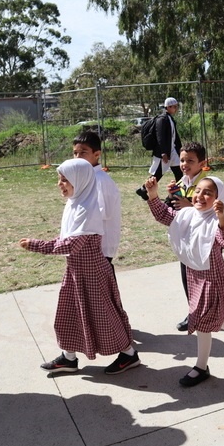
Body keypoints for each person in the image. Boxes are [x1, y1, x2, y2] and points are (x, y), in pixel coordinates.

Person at [20, 159, 139, 375]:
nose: (60, 184)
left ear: (80, 181)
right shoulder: (75, 203)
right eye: (59, 179)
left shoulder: (89, 207)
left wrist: (37, 245)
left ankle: (129, 354)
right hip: (75, 270)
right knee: (68, 313)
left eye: (65, 180)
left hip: (92, 272)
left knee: (104, 317)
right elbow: (67, 237)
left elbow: (72, 243)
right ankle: (69, 357)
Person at [144, 174, 224, 387]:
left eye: (208, 193)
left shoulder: (215, 221)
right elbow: (163, 215)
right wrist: (153, 194)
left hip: (212, 278)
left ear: (218, 198)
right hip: (194, 274)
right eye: (198, 190)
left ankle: (201, 367)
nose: (200, 196)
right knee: (216, 319)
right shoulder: (186, 214)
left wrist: (221, 217)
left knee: (203, 320)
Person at [166, 142, 211, 332]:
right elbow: (171, 210)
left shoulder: (208, 184)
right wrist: (170, 197)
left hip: (204, 241)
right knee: (187, 278)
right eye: (183, 160)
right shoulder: (181, 183)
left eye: (190, 161)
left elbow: (217, 211)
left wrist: (189, 206)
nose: (184, 164)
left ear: (202, 163)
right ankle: (193, 312)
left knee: (208, 280)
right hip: (186, 240)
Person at [72, 131, 121, 262]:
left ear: (97, 154)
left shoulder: (100, 180)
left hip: (101, 247)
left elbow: (102, 213)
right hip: (89, 245)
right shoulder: (86, 178)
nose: (77, 157)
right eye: (75, 153)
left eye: (83, 153)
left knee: (103, 281)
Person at [135, 97, 183, 200]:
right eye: (175, 107)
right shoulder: (162, 119)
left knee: (179, 173)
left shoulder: (169, 118)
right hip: (165, 152)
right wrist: (163, 153)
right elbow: (160, 136)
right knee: (157, 175)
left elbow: (174, 137)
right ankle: (143, 189)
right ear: (169, 107)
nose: (176, 109)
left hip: (172, 151)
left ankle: (177, 194)